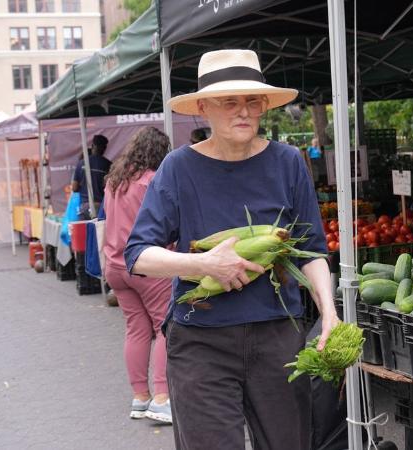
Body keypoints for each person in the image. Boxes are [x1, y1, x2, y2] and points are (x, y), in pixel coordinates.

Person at [124, 49, 337, 450]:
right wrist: (204, 262)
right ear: (203, 107)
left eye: (251, 101)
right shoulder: (178, 168)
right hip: (201, 342)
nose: (243, 111)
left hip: (277, 336)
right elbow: (138, 254)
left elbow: (311, 251)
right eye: (228, 101)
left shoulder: (288, 162)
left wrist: (328, 312)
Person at [103, 127, 173, 424]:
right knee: (165, 328)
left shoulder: (114, 182)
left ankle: (140, 397)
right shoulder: (152, 181)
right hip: (146, 264)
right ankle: (162, 398)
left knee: (136, 329)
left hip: (115, 265)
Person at [71, 134, 111, 219]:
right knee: (99, 231)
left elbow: (74, 188)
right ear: (104, 148)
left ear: (92, 146)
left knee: (85, 231)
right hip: (101, 206)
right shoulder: (108, 165)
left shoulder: (82, 163)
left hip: (84, 206)